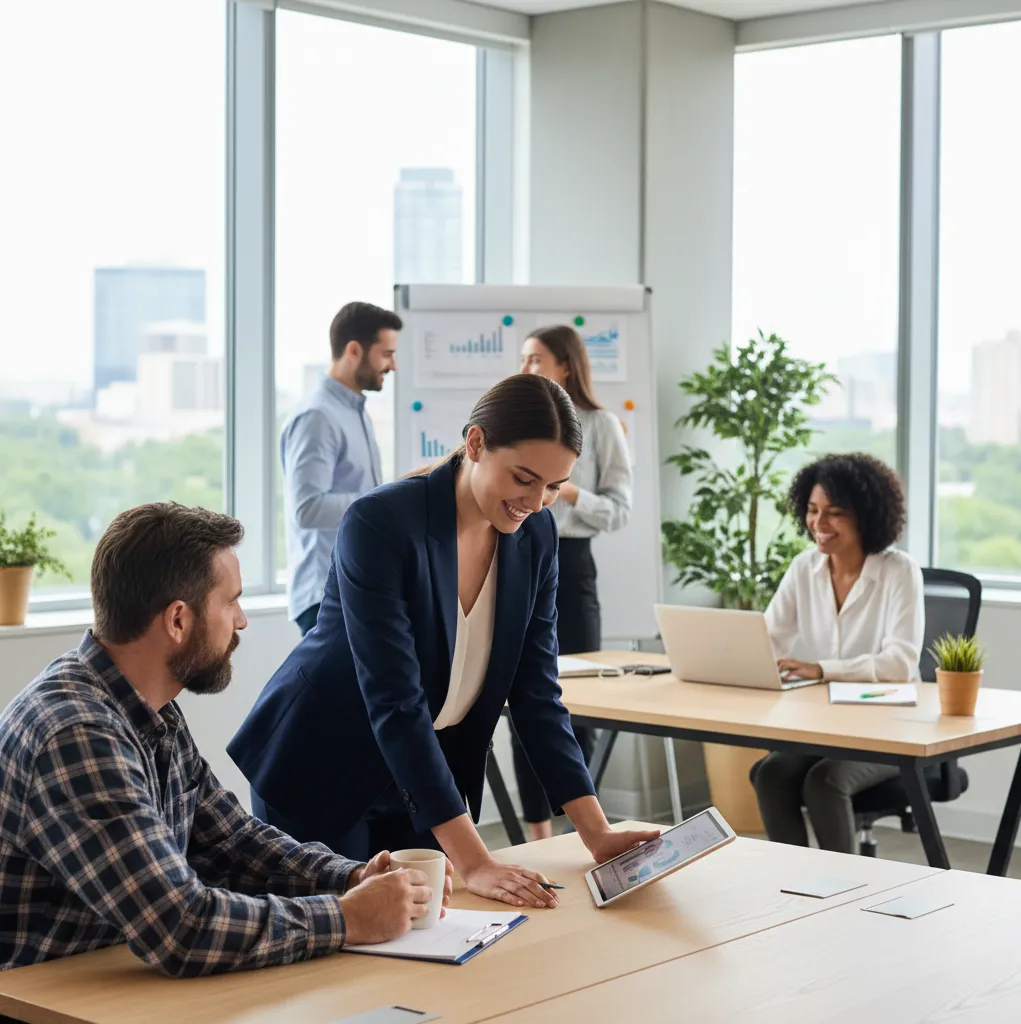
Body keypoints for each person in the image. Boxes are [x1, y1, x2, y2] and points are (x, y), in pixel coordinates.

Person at [229, 374, 658, 911]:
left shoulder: (536, 536)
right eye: (523, 478)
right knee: (339, 953)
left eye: (553, 485)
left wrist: (598, 835)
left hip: (427, 772)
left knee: (433, 940)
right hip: (325, 763)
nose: (537, 501)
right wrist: (476, 861)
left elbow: (537, 696)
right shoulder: (381, 523)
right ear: (475, 444)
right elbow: (395, 702)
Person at [0, 503, 450, 977]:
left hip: (115, 985)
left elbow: (231, 842)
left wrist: (353, 877)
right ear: (178, 620)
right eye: (231, 601)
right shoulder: (77, 736)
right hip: (46, 1002)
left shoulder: (149, 710)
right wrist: (347, 917)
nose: (241, 621)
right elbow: (182, 926)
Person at [752, 453, 925, 854]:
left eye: (834, 513)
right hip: (824, 724)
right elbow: (767, 639)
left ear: (865, 514)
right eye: (812, 511)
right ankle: (792, 887)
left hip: (891, 725)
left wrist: (820, 668)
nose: (819, 524)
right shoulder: (803, 568)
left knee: (824, 781)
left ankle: (844, 893)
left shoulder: (900, 571)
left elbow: (901, 663)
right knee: (771, 773)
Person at [512, 324, 633, 840]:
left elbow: (620, 510)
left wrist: (565, 493)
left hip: (574, 562)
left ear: (565, 365)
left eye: (536, 360)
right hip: (519, 556)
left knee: (578, 705)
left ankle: (578, 830)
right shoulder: (516, 422)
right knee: (521, 699)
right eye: (523, 360)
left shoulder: (601, 425)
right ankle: (538, 837)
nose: (527, 370)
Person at [281, 301, 401, 636]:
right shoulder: (318, 416)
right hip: (326, 597)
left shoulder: (356, 410)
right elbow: (307, 509)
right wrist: (384, 498)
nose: (392, 365)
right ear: (353, 350)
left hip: (354, 586)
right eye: (386, 354)